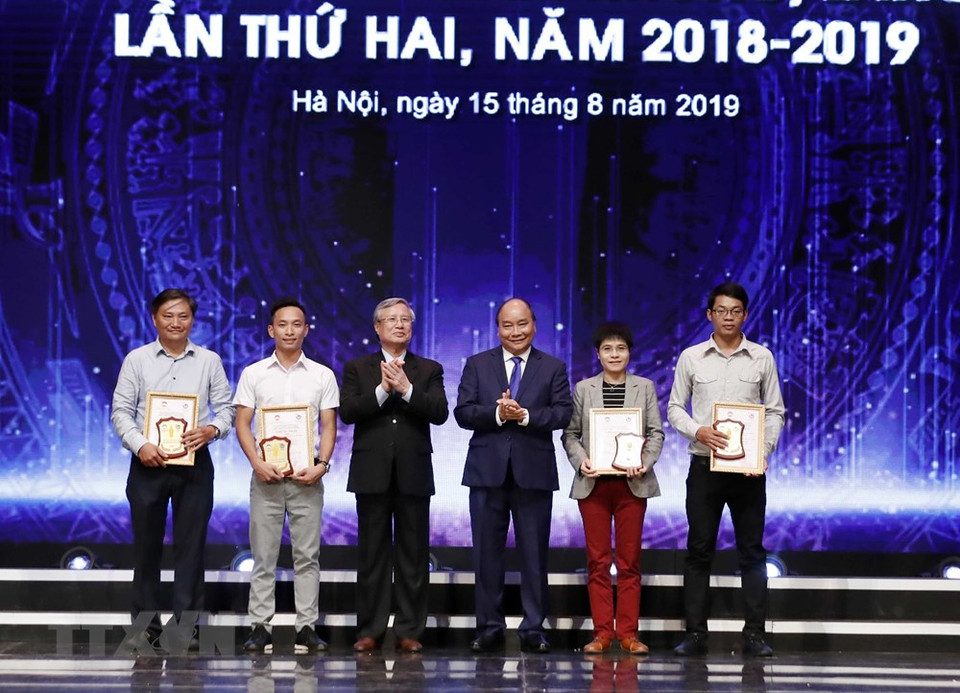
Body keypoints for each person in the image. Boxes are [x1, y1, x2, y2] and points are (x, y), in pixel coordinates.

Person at [111, 288, 235, 649]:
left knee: (191, 547)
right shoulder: (137, 360)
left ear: (192, 320)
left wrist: (211, 430)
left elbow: (225, 409)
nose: (176, 322)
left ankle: (186, 628)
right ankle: (145, 628)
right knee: (146, 548)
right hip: (147, 463)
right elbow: (120, 411)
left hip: (195, 463)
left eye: (183, 316)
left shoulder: (209, 360)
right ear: (154, 319)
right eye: (168, 316)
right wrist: (141, 445)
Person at [667, 282, 785, 657]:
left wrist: (762, 450)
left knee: (752, 552)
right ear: (710, 315)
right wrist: (697, 429)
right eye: (721, 310)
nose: (729, 317)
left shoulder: (762, 357)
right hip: (704, 467)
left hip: (749, 473)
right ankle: (696, 635)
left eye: (735, 311)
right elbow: (673, 408)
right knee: (699, 551)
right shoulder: (691, 357)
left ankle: (754, 635)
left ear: (745, 315)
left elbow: (776, 411)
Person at [454, 297, 572, 654]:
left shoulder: (552, 367)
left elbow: (563, 414)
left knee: (534, 556)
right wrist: (496, 414)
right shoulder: (477, 364)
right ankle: (489, 627)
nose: (516, 331)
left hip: (533, 472)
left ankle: (533, 628)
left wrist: (523, 416)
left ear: (534, 325)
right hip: (487, 472)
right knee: (486, 556)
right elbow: (463, 412)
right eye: (508, 325)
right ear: (498, 328)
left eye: (522, 324)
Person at [339, 298, 449, 654]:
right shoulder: (358, 368)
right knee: (372, 554)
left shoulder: (428, 369)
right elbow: (350, 411)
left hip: (414, 472)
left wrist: (406, 389)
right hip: (371, 472)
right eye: (391, 319)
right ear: (377, 326)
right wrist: (384, 390)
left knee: (413, 555)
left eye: (405, 320)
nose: (399, 325)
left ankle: (408, 629)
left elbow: (439, 412)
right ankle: (369, 629)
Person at [233, 299, 339, 654]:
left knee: (307, 556)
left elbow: (328, 425)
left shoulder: (322, 375)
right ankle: (259, 627)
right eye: (283, 324)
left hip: (307, 475)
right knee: (263, 556)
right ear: (271, 330)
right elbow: (242, 423)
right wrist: (256, 463)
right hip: (266, 477)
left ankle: (306, 627)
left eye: (297, 325)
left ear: (306, 329)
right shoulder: (254, 373)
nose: (290, 330)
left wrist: (322, 464)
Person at [562, 322, 664, 655]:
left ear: (629, 352)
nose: (614, 354)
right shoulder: (583, 389)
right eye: (608, 348)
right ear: (598, 354)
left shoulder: (645, 387)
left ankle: (629, 634)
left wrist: (645, 462)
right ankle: (603, 633)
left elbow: (655, 433)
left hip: (632, 484)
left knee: (630, 561)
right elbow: (570, 434)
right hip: (594, 485)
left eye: (620, 348)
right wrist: (582, 462)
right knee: (598, 561)